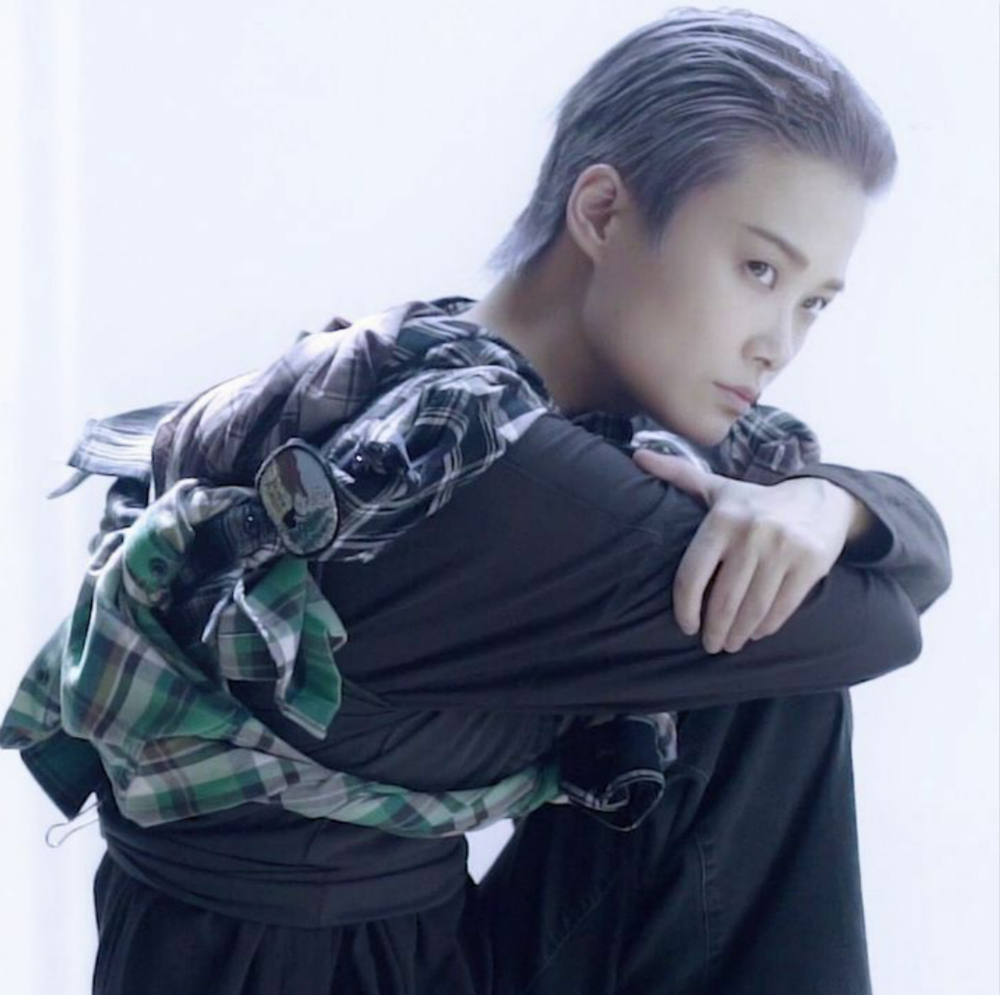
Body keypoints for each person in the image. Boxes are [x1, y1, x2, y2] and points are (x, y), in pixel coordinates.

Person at [33, 8, 957, 994]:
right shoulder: (462, 464)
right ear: (601, 212)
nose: (779, 342)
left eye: (813, 301)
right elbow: (874, 624)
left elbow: (893, 549)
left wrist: (826, 502)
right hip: (290, 972)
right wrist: (825, 513)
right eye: (758, 269)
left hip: (420, 948)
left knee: (754, 620)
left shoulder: (452, 374)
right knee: (765, 646)